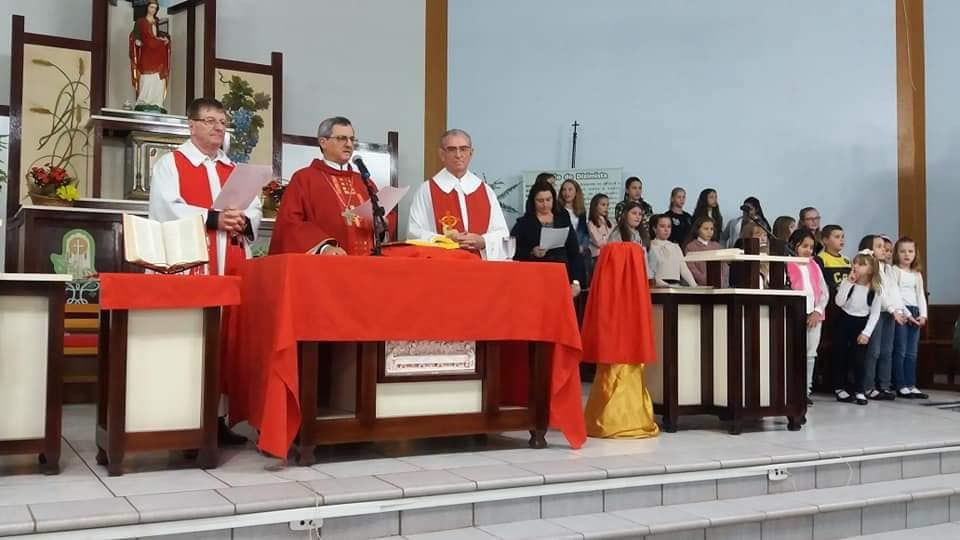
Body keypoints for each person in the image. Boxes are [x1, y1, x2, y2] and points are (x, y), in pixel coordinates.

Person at [148, 97, 262, 446]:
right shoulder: (171, 164)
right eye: (210, 120)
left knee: (228, 339)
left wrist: (243, 220)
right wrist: (214, 219)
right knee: (195, 338)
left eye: (222, 122)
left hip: (232, 261)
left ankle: (218, 419)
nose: (218, 127)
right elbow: (166, 208)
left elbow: (254, 208)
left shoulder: (234, 169)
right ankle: (186, 423)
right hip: (193, 263)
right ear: (191, 125)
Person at [269, 116, 397, 256]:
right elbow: (290, 224)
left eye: (352, 139)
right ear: (323, 142)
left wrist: (381, 225)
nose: (349, 144)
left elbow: (385, 215)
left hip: (368, 263)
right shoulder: (304, 179)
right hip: (326, 264)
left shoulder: (364, 181)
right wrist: (324, 247)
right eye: (342, 138)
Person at [407, 129, 510, 259]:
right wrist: (445, 240)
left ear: (471, 153)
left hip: (480, 266)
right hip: (442, 265)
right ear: (442, 154)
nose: (458, 155)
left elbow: (502, 235)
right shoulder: (426, 190)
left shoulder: (486, 191)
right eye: (451, 149)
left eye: (463, 149)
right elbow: (414, 233)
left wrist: (483, 241)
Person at [511, 182, 585, 295]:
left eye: (548, 199)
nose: (545, 204)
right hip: (535, 276)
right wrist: (531, 252)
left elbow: (573, 251)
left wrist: (576, 281)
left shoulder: (562, 216)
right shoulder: (524, 223)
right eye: (540, 201)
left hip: (561, 273)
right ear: (533, 201)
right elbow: (512, 249)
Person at [859, 235, 907, 400]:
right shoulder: (872, 267)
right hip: (877, 312)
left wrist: (901, 311)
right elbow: (880, 292)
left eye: (886, 248)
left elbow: (894, 292)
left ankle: (884, 386)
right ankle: (868, 386)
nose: (884, 251)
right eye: (879, 247)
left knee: (887, 351)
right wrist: (893, 310)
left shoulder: (888, 269)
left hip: (890, 314)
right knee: (874, 351)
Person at [833, 250, 883, 405]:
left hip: (861, 324)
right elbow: (839, 302)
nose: (856, 266)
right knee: (841, 355)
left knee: (859, 359)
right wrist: (848, 283)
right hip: (844, 321)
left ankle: (859, 390)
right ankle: (840, 388)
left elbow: (874, 314)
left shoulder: (875, 289)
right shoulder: (848, 283)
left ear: (871, 269)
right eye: (855, 263)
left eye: (861, 264)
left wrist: (866, 333)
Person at [787, 229, 828, 404]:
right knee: (792, 353)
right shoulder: (786, 264)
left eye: (811, 247)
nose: (808, 250)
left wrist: (817, 311)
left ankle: (805, 391)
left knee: (810, 354)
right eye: (804, 246)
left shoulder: (814, 265)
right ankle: (790, 391)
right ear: (794, 246)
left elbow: (824, 292)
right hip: (794, 315)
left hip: (814, 316)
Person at [892, 237, 929, 399]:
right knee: (900, 350)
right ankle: (900, 385)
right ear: (896, 253)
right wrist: (906, 314)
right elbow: (895, 295)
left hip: (915, 312)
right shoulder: (894, 271)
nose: (907, 254)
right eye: (902, 251)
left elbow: (920, 294)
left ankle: (911, 384)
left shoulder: (916, 274)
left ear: (915, 253)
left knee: (912, 352)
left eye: (910, 251)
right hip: (901, 312)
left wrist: (923, 315)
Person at [128, 0, 171, 112]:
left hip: (158, 51)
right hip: (146, 51)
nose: (153, 10)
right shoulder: (140, 21)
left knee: (158, 78)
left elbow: (161, 35)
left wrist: (165, 39)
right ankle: (144, 100)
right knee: (146, 76)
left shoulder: (158, 21)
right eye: (151, 7)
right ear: (147, 7)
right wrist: (137, 41)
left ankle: (157, 102)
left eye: (155, 8)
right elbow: (135, 35)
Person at [648, 214, 697, 287]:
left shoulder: (675, 247)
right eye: (662, 226)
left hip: (676, 287)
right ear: (654, 228)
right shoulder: (649, 246)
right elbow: (650, 272)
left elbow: (684, 269)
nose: (666, 230)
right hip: (658, 287)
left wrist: (695, 286)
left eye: (669, 226)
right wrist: (665, 285)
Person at [684, 216, 727, 286]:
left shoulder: (717, 246)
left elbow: (724, 266)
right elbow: (692, 269)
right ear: (697, 230)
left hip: (719, 284)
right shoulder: (691, 247)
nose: (709, 232)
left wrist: (721, 280)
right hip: (700, 286)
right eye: (706, 229)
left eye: (711, 229)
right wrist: (706, 280)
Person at [729, 221, 770, 288]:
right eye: (758, 234)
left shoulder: (770, 252)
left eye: (765, 235)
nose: (763, 238)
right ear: (748, 236)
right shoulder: (740, 255)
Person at [558, 179, 589, 253]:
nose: (567, 192)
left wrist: (582, 246)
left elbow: (584, 232)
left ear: (576, 192)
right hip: (563, 249)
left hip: (578, 249)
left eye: (570, 189)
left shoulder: (581, 211)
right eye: (564, 190)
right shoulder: (557, 209)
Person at [586, 193, 612, 271]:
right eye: (603, 205)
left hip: (610, 255)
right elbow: (599, 243)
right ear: (595, 206)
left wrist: (605, 237)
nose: (606, 207)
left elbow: (615, 238)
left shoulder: (610, 222)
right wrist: (608, 238)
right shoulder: (591, 223)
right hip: (598, 257)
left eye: (607, 205)